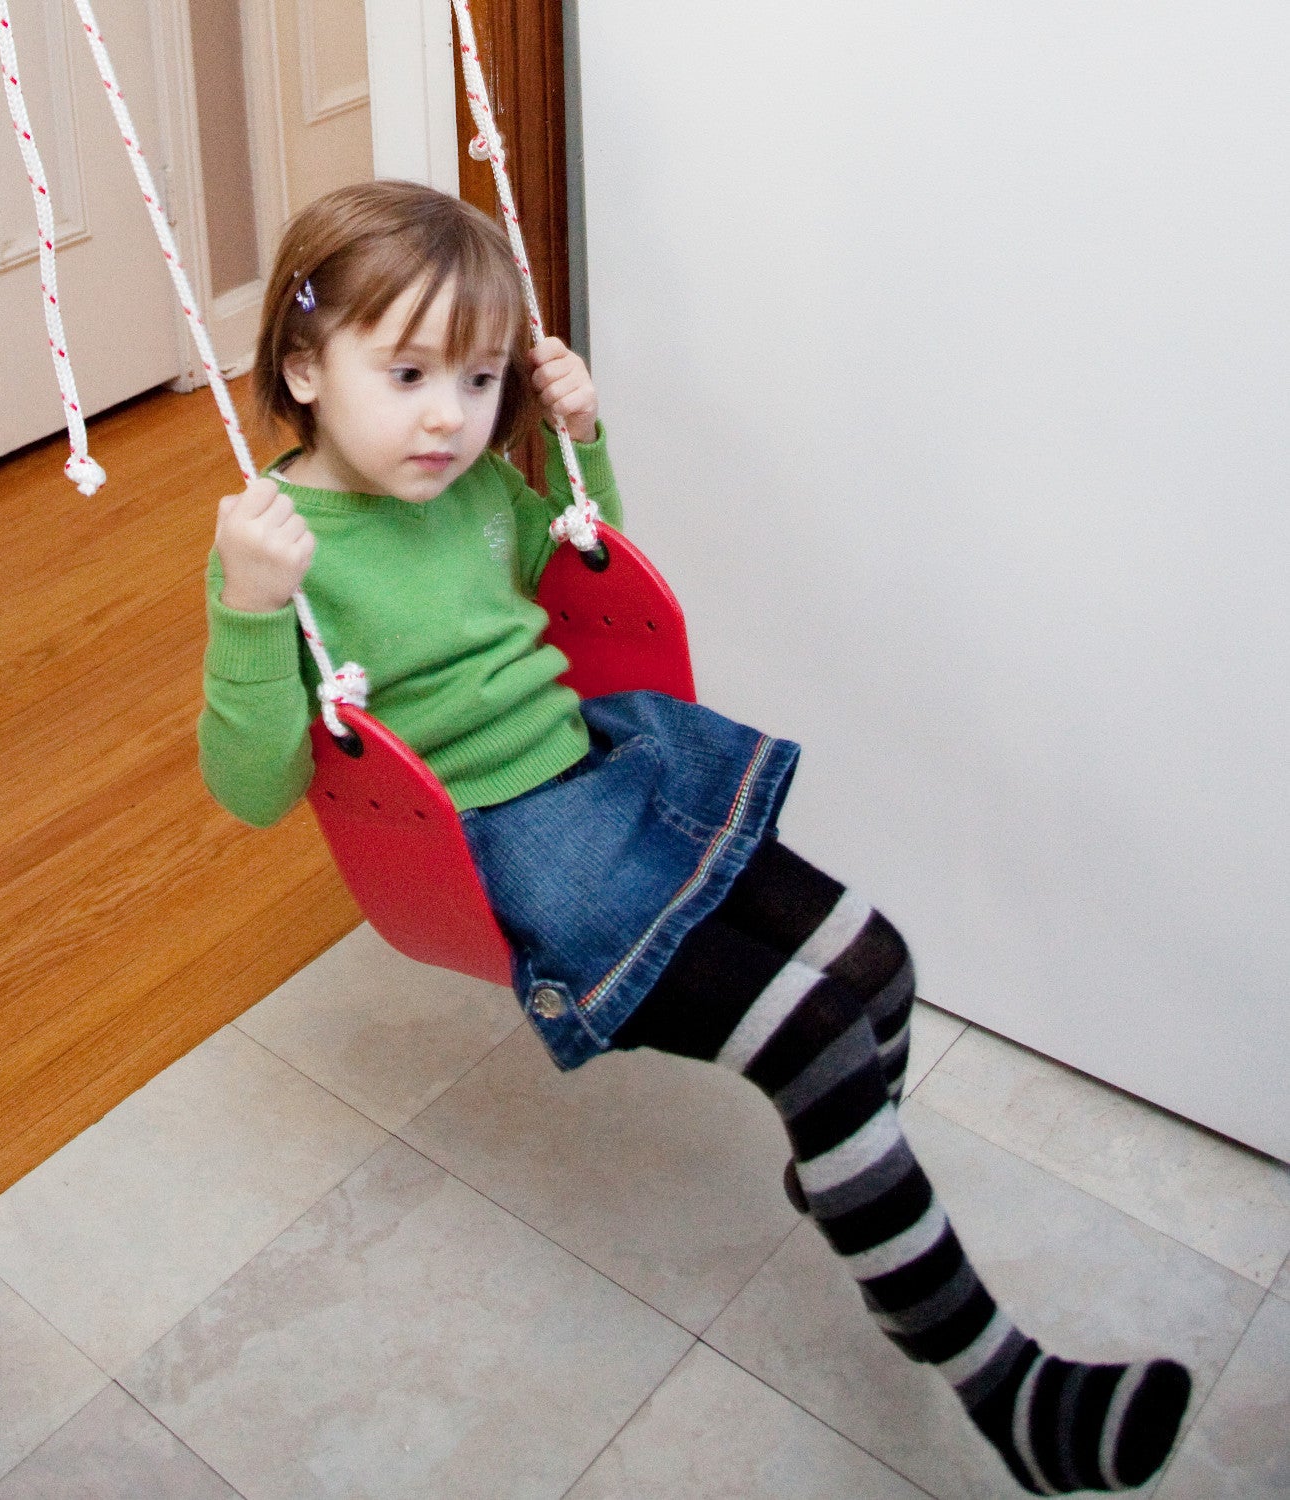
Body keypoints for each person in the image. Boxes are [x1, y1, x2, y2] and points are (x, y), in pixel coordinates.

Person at [197, 179, 1191, 1495]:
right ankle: (1005, 1387)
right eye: (410, 371)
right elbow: (253, 787)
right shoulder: (283, 553)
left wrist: (581, 441)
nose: (451, 414)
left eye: (483, 377)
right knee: (818, 1045)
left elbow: (576, 565)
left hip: (619, 776)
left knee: (879, 964)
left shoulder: (478, 484)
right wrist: (257, 615)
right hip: (522, 855)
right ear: (307, 367)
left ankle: (844, 1183)